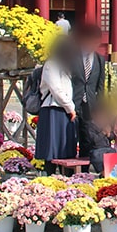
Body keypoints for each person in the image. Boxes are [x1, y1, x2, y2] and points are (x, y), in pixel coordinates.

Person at [35, 36, 79, 176]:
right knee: (52, 150)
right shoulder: (51, 64)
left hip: (64, 110)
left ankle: (64, 178)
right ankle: (50, 177)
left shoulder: (65, 66)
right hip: (53, 110)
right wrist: (70, 107)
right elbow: (56, 89)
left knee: (64, 149)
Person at [71, 24, 105, 157]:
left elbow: (100, 85)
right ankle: (70, 172)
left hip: (90, 104)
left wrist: (100, 108)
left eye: (96, 42)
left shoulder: (99, 59)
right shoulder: (72, 56)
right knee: (71, 136)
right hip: (73, 102)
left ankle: (84, 171)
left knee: (88, 138)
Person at [83, 100, 116, 173]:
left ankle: (113, 172)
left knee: (115, 154)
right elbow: (93, 140)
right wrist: (103, 132)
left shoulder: (106, 124)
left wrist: (109, 134)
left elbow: (113, 137)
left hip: (108, 148)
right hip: (96, 150)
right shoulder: (90, 126)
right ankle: (103, 172)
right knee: (98, 157)